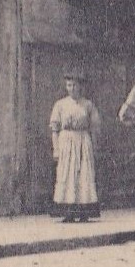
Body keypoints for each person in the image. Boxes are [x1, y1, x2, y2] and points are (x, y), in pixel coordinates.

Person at [50, 68, 101, 223]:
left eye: (75, 85)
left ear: (80, 86)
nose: (72, 88)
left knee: (83, 174)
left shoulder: (88, 105)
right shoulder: (60, 105)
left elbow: (94, 128)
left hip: (83, 141)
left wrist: (94, 147)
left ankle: (84, 211)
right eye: (69, 85)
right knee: (67, 174)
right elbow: (55, 129)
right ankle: (68, 212)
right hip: (66, 141)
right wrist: (56, 149)